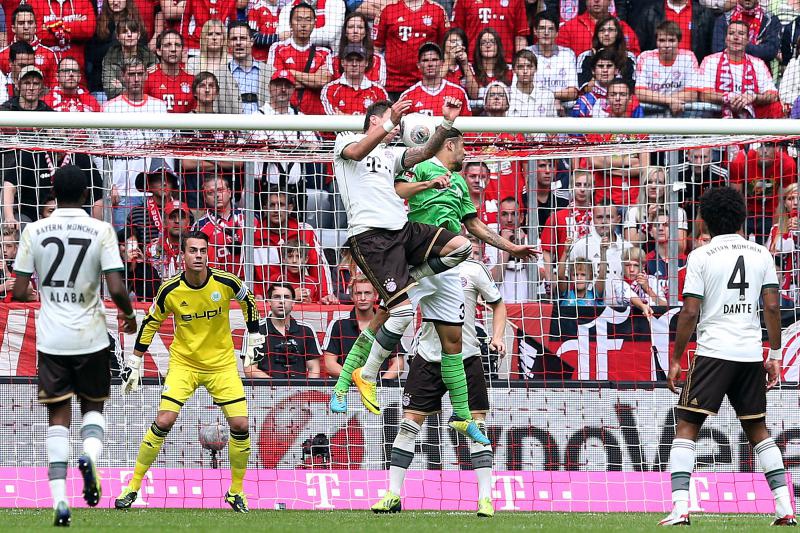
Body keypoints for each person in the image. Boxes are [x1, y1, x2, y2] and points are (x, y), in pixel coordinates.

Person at [329, 98, 483, 444]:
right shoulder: (345, 142)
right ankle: (364, 375)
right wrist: (388, 124)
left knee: (462, 247)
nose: (396, 127)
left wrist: (444, 125)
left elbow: (420, 154)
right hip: (372, 239)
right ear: (374, 120)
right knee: (397, 316)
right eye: (389, 121)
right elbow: (355, 153)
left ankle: (461, 414)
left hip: (403, 233)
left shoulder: (389, 154)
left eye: (395, 124)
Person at [11, 165, 137, 526]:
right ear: (86, 196)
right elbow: (115, 287)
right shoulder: (101, 229)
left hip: (52, 339)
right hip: (92, 337)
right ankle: (91, 458)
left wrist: (36, 292)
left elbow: (19, 291)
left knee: (57, 418)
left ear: (53, 191)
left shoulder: (34, 229)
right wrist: (128, 315)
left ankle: (60, 501)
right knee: (93, 410)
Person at [663, 186, 796, 526]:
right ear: (742, 217)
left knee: (687, 426)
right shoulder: (761, 254)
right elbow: (770, 306)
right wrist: (775, 354)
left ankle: (680, 506)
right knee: (758, 430)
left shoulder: (701, 256)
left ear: (704, 221)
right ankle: (785, 506)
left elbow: (690, 312)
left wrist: (677, 358)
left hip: (713, 353)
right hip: (750, 354)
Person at [115, 231, 264, 513]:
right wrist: (134, 361)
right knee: (165, 419)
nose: (198, 255)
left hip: (221, 365)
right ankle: (133, 487)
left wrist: (254, 335)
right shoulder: (170, 289)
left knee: (241, 425)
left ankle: (236, 491)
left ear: (208, 254)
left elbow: (249, 300)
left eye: (202, 251)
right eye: (193, 250)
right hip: (184, 365)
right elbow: (150, 322)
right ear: (182, 255)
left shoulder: (226, 282)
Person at [371, 255, 507, 517]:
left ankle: (485, 499)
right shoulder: (420, 269)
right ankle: (393, 494)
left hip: (466, 356)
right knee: (409, 425)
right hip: (427, 357)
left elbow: (498, 304)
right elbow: (392, 305)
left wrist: (497, 336)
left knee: (476, 425)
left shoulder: (474, 269)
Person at [323, 276, 403, 378]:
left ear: (376, 295)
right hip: (346, 387)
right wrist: (356, 380)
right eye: (358, 293)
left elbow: (398, 364)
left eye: (367, 293)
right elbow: (329, 365)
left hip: (378, 389)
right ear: (351, 297)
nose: (363, 298)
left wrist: (380, 385)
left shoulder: (389, 324)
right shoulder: (338, 324)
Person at [699, 20, 780, 119]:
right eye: (731, 33)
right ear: (725, 39)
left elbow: (773, 95)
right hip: (716, 121)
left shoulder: (758, 63)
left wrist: (753, 97)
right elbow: (704, 95)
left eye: (741, 34)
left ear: (747, 40)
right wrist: (728, 98)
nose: (736, 38)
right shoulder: (710, 61)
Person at [373, 0, 449, 99]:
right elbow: (376, 48)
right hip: (392, 84)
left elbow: (446, 50)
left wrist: (439, 76)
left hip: (425, 85)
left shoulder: (437, 10)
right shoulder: (388, 9)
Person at [243, 282, 321, 378]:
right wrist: (274, 386)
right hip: (267, 390)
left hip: (300, 391)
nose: (282, 301)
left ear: (293, 302)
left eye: (287, 297)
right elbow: (249, 369)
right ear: (269, 301)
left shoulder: (306, 330)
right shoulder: (255, 330)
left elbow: (314, 368)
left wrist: (308, 391)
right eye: (276, 297)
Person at [266, 3, 332, 116]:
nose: (303, 24)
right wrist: (313, 80)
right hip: (285, 115)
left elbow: (322, 81)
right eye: (299, 19)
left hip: (315, 116)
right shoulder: (277, 49)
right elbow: (277, 84)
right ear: (290, 23)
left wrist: (290, 73)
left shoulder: (324, 53)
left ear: (314, 24)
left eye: (308, 20)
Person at [634, 21, 700, 117]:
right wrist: (670, 101)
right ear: (656, 42)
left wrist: (663, 100)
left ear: (679, 41)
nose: (666, 45)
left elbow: (692, 94)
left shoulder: (688, 57)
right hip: (650, 114)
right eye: (662, 40)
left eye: (671, 40)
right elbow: (640, 92)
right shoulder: (645, 57)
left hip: (681, 113)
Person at [398, 42, 471, 116]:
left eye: (434, 60)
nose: (430, 64)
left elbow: (468, 124)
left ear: (442, 63)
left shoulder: (458, 92)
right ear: (418, 65)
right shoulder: (408, 96)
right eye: (425, 60)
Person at [186, 19, 242, 115]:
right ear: (204, 38)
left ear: (224, 38)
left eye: (218, 34)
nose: (214, 38)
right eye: (210, 34)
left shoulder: (233, 62)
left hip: (227, 114)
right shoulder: (192, 63)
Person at [451, 0, 528, 63]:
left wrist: (520, 63)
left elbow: (520, 36)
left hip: (505, 63)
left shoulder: (517, 1)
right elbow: (457, 34)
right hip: (473, 62)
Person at [321, 44, 389, 115]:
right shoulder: (330, 89)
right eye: (350, 60)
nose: (354, 64)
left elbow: (384, 117)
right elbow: (332, 118)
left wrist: (345, 116)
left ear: (366, 63)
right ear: (342, 63)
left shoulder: (379, 91)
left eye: (359, 60)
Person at [0, 5, 58, 87]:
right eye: (21, 23)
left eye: (30, 23)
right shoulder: (2, 55)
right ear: (13, 28)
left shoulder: (49, 54)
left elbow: (54, 88)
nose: (26, 27)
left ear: (35, 26)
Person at [528, 11, 579, 103]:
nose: (546, 33)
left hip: (564, 109)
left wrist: (550, 97)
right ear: (535, 31)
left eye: (551, 29)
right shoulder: (526, 54)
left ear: (557, 33)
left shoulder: (567, 54)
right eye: (542, 28)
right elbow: (522, 91)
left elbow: (573, 92)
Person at [102, 18, 158, 100]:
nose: (129, 35)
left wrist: (122, 88)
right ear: (117, 36)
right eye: (124, 32)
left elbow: (155, 88)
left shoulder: (150, 58)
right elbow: (110, 89)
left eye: (133, 31)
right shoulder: (110, 58)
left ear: (138, 35)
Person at [575, 15, 636, 91]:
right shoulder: (585, 56)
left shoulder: (628, 57)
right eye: (602, 30)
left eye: (610, 30)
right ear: (597, 34)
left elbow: (631, 88)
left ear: (617, 33)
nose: (606, 34)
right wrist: (595, 59)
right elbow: (586, 88)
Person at [711, 0, 781, 65]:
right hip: (726, 70)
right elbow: (718, 50)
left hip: (760, 72)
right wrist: (755, 47)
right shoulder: (724, 19)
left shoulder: (771, 20)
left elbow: (770, 52)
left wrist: (736, 45)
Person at [145, 29, 196, 113]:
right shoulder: (148, 77)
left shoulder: (192, 79)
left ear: (182, 50)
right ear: (158, 51)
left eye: (177, 45)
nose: (173, 49)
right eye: (167, 45)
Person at [765, 182, 800, 307]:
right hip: (785, 289)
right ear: (785, 203)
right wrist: (790, 234)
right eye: (791, 199)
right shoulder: (775, 230)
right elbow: (773, 260)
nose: (795, 203)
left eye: (798, 199)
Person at [330, 12, 386, 86]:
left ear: (365, 32)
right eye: (351, 27)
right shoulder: (332, 60)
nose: (355, 31)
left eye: (360, 27)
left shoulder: (378, 60)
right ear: (345, 32)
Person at [227, 21, 269, 114]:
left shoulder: (269, 72)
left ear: (251, 42)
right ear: (228, 43)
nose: (238, 43)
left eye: (243, 38)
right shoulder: (219, 75)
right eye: (234, 39)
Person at [507, 50, 558, 119]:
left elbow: (553, 126)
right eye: (521, 67)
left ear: (536, 69)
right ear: (513, 70)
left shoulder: (547, 95)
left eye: (529, 66)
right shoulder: (507, 96)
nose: (525, 71)